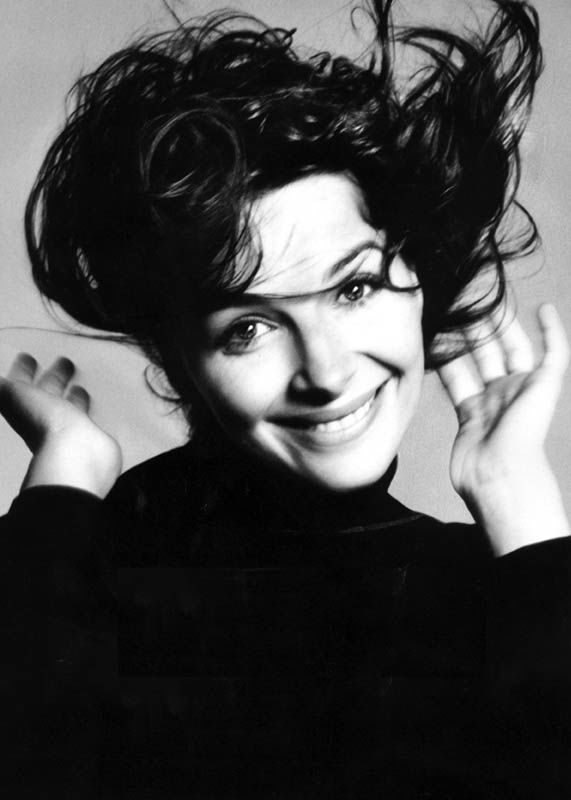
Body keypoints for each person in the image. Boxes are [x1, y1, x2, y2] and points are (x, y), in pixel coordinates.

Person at [1, 0, 570, 797]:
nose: (326, 372)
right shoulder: (93, 569)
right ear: (177, 358)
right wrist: (62, 492)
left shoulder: (493, 588)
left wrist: (521, 511)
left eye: (354, 288)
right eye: (248, 328)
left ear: (419, 280)